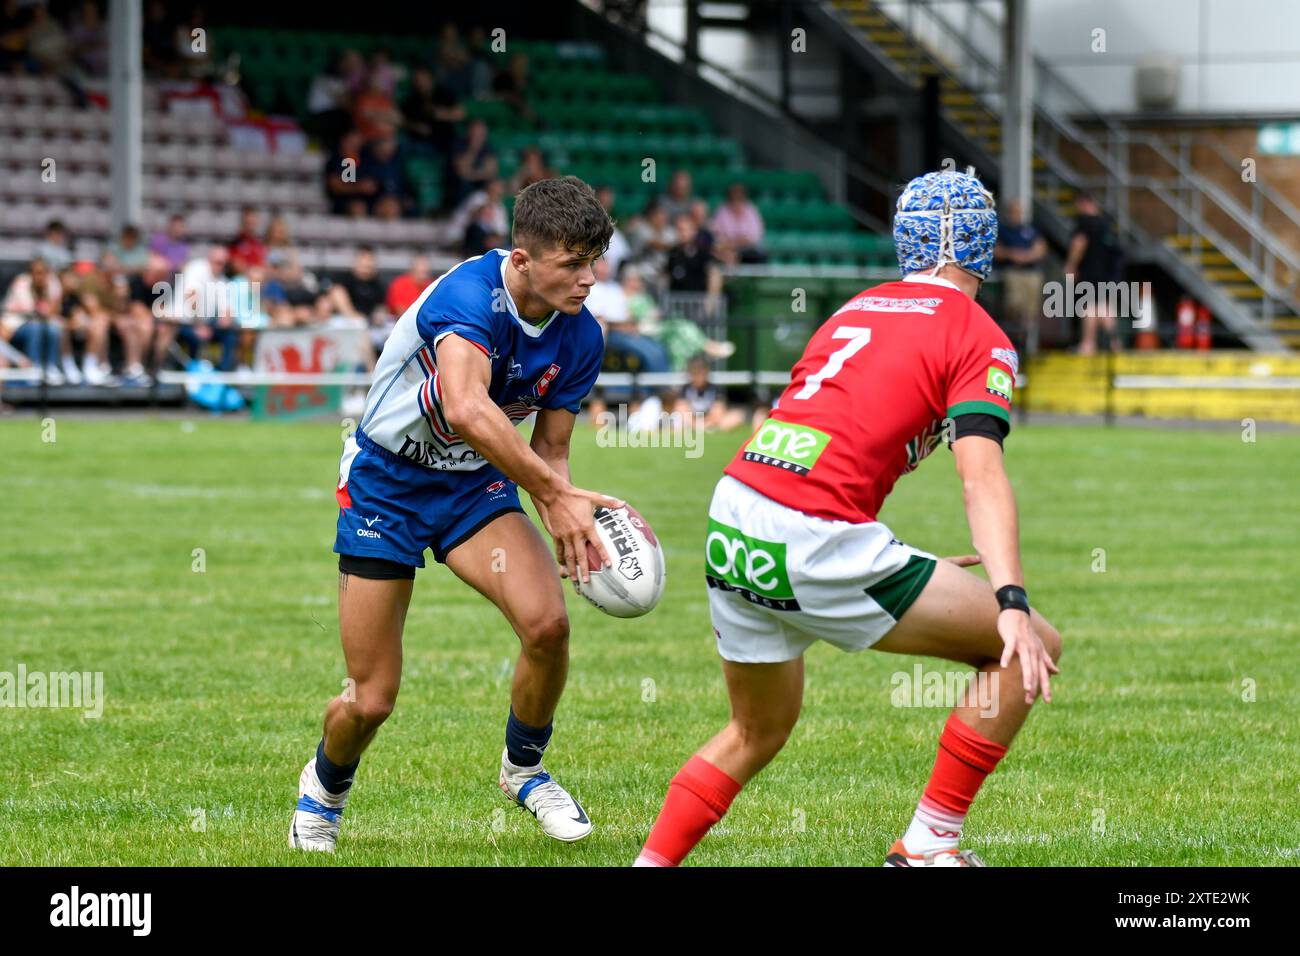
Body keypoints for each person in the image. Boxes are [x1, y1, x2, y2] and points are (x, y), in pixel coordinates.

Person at [635, 169, 1062, 868]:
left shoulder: (857, 308)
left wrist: (887, 557)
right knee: (1027, 646)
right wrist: (1011, 601)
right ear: (983, 245)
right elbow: (980, 474)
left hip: (736, 514)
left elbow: (828, 436)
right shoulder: (978, 334)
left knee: (757, 728)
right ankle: (929, 846)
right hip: (814, 534)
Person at [290, 176, 621, 852]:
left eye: (596, 261)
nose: (590, 279)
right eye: (574, 263)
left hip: (474, 489)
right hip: (387, 485)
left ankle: (524, 770)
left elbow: (550, 450)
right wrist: (553, 497)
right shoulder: (471, 295)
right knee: (372, 698)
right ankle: (323, 793)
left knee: (548, 625)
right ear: (523, 260)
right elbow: (467, 407)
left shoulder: (582, 336)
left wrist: (563, 506)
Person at [1063, 192, 1126, 354]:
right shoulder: (1106, 223)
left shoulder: (1085, 222)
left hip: (1091, 272)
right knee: (1104, 306)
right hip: (1109, 273)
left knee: (1088, 305)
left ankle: (1088, 343)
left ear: (1084, 203)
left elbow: (1079, 243)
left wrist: (1071, 265)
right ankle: (1114, 343)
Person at [994, 197, 1047, 357]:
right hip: (1014, 272)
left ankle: (1028, 345)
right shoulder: (1003, 230)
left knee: (1030, 311)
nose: (1017, 215)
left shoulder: (1030, 229)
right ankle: (1012, 342)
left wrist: (1028, 256)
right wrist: (1013, 255)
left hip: (1031, 273)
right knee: (1014, 307)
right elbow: (996, 250)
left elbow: (1041, 247)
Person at [710, 183, 767, 264]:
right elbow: (716, 234)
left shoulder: (751, 210)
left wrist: (737, 242)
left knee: (759, 255)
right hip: (727, 249)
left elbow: (755, 235)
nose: (736, 200)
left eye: (739, 198)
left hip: (747, 250)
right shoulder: (722, 211)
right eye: (734, 198)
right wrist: (731, 243)